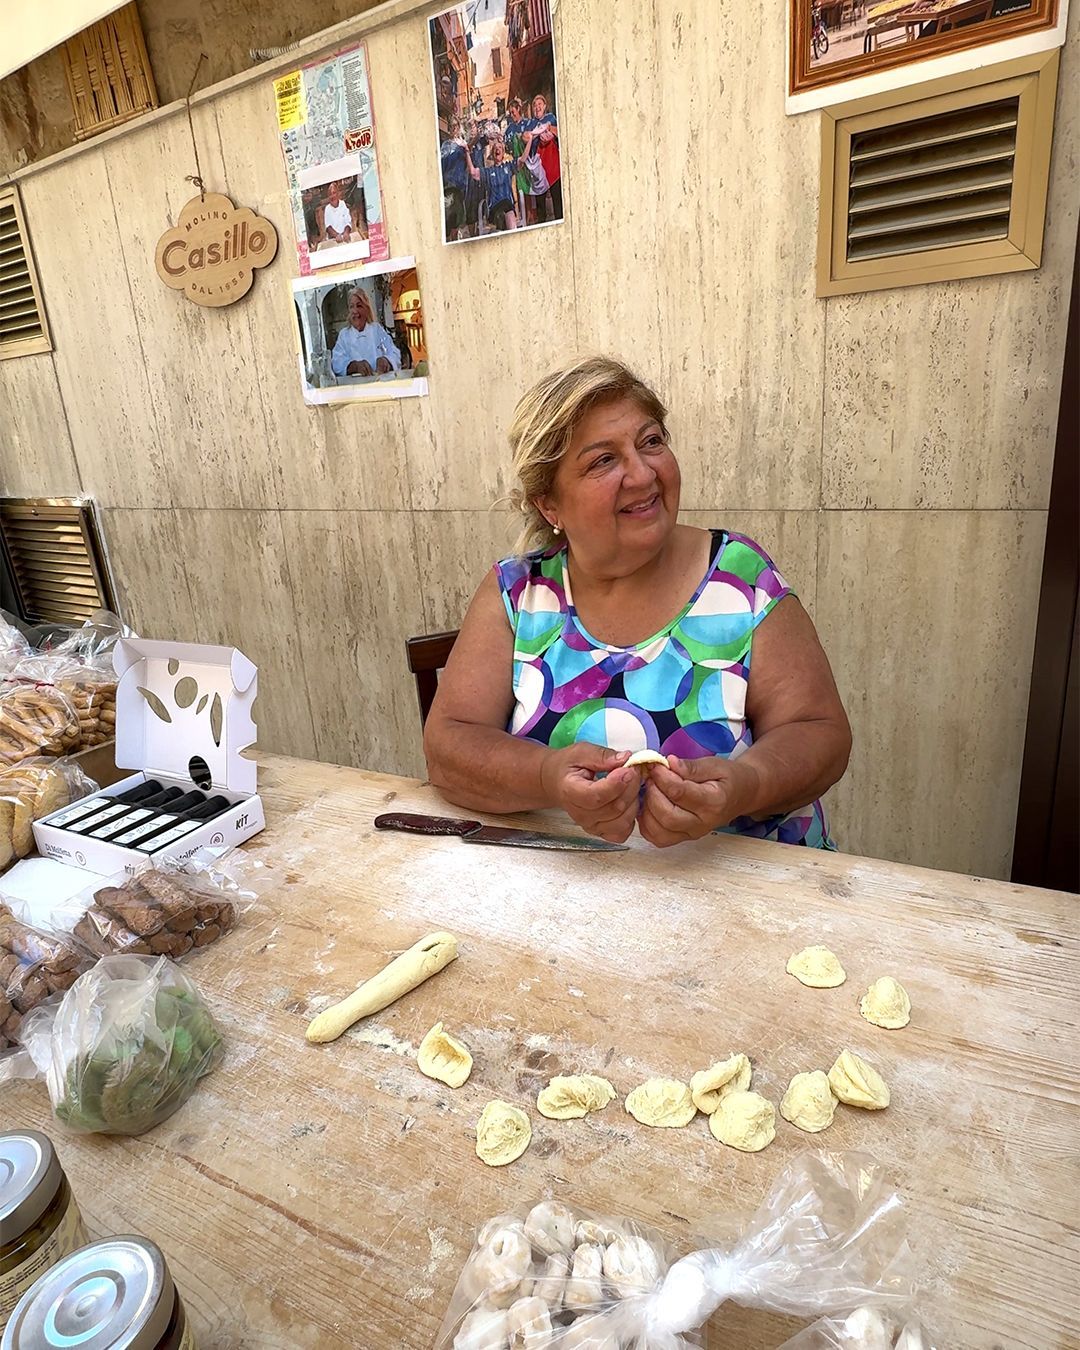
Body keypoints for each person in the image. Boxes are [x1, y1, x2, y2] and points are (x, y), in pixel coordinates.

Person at [423, 358, 851, 849]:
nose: (643, 473)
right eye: (603, 460)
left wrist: (745, 787)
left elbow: (820, 735)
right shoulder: (520, 592)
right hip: (569, 890)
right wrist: (545, 776)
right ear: (549, 504)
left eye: (651, 442)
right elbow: (449, 749)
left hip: (745, 891)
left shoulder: (740, 577)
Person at [330, 288, 401, 378]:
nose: (355, 311)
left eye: (359, 306)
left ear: (367, 309)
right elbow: (336, 362)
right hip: (355, 387)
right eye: (352, 306)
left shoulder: (376, 329)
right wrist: (354, 366)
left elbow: (394, 353)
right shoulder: (344, 335)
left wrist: (386, 360)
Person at [522, 93, 561, 222]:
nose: (537, 107)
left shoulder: (551, 118)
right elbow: (525, 137)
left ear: (544, 106)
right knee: (540, 205)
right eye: (534, 105)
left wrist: (549, 128)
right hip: (538, 168)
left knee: (558, 200)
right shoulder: (530, 123)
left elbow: (559, 131)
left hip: (553, 165)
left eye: (539, 104)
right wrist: (536, 134)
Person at [480, 138, 519, 232]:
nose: (497, 150)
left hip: (508, 206)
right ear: (492, 154)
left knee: (506, 208)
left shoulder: (508, 166)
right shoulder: (488, 172)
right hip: (495, 208)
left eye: (500, 148)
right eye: (495, 149)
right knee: (503, 211)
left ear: (503, 152)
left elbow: (522, 160)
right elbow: (473, 172)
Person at [318, 181, 356, 249]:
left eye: (334, 193)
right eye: (330, 194)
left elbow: (348, 221)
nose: (332, 196)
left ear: (338, 194)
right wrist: (336, 235)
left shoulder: (343, 204)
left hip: (345, 236)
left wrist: (346, 232)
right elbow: (328, 227)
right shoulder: (327, 208)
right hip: (333, 239)